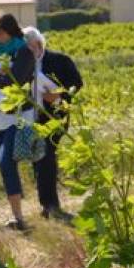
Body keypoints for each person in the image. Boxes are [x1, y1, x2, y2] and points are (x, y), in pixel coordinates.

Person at [0, 13, 35, 231]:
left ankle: (19, 217)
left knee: (6, 162)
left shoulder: (23, 52)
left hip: (18, 115)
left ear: (10, 31)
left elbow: (17, 80)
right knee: (4, 168)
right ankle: (17, 216)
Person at [22, 27, 82, 222]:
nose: (27, 53)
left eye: (30, 48)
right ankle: (46, 204)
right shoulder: (23, 66)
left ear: (39, 44)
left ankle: (51, 205)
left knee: (46, 157)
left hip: (55, 117)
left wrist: (58, 95)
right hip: (32, 118)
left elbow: (77, 83)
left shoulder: (59, 60)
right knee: (38, 161)